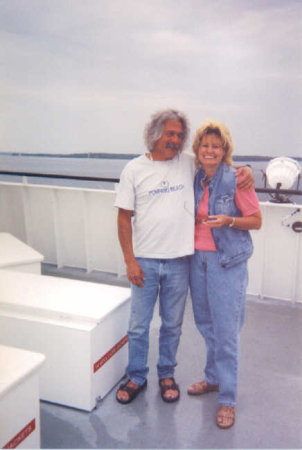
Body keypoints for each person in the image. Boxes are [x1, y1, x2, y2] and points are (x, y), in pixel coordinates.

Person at [114, 109, 254, 404]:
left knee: (172, 325)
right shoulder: (134, 170)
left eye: (179, 135)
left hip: (181, 262)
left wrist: (247, 170)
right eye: (170, 134)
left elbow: (220, 162)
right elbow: (124, 217)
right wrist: (130, 260)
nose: (176, 140)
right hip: (146, 261)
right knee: (139, 325)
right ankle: (137, 376)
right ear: (155, 134)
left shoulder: (188, 164)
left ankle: (167, 374)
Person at [187, 120, 262, 428]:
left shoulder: (236, 179)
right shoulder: (195, 179)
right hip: (197, 261)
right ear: (197, 149)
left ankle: (227, 399)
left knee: (226, 332)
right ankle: (213, 379)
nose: (210, 150)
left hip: (226, 262)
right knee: (206, 323)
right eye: (205, 145)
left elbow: (256, 220)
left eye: (216, 146)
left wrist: (230, 220)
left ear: (224, 150)